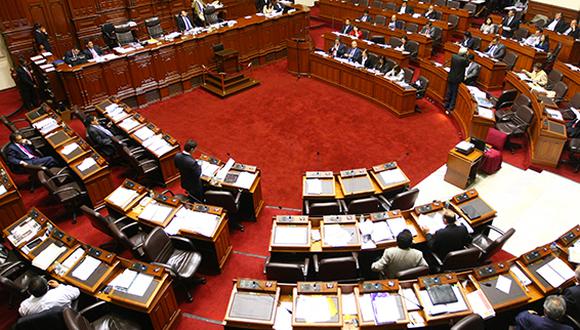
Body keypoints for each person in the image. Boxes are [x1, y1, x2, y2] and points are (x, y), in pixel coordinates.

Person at [443, 47, 469, 114]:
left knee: (449, 91)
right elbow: (467, 64)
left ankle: (446, 104)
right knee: (454, 94)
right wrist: (467, 56)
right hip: (457, 79)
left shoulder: (454, 56)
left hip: (451, 76)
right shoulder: (463, 60)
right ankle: (450, 108)